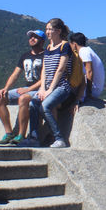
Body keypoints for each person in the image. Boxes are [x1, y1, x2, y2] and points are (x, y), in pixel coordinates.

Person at [0, 30, 45, 144]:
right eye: (31, 37)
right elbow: (15, 74)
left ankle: (21, 135)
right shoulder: (25, 56)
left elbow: (44, 79)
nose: (32, 39)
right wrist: (5, 88)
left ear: (42, 41)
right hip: (26, 88)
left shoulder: (45, 56)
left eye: (35, 37)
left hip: (38, 90)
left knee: (23, 98)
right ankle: (9, 133)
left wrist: (28, 90)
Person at [34, 18, 73, 148]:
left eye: (50, 29)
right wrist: (42, 88)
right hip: (48, 87)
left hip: (62, 87)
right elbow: (44, 70)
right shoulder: (48, 47)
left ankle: (59, 138)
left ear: (58, 31)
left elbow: (60, 69)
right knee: (32, 103)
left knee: (45, 106)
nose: (48, 32)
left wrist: (49, 90)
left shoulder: (65, 46)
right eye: (47, 29)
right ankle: (33, 137)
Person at [68, 32, 105, 104]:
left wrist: (89, 93)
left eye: (70, 44)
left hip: (93, 89)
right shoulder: (88, 50)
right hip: (95, 88)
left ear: (74, 44)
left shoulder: (83, 51)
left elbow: (89, 72)